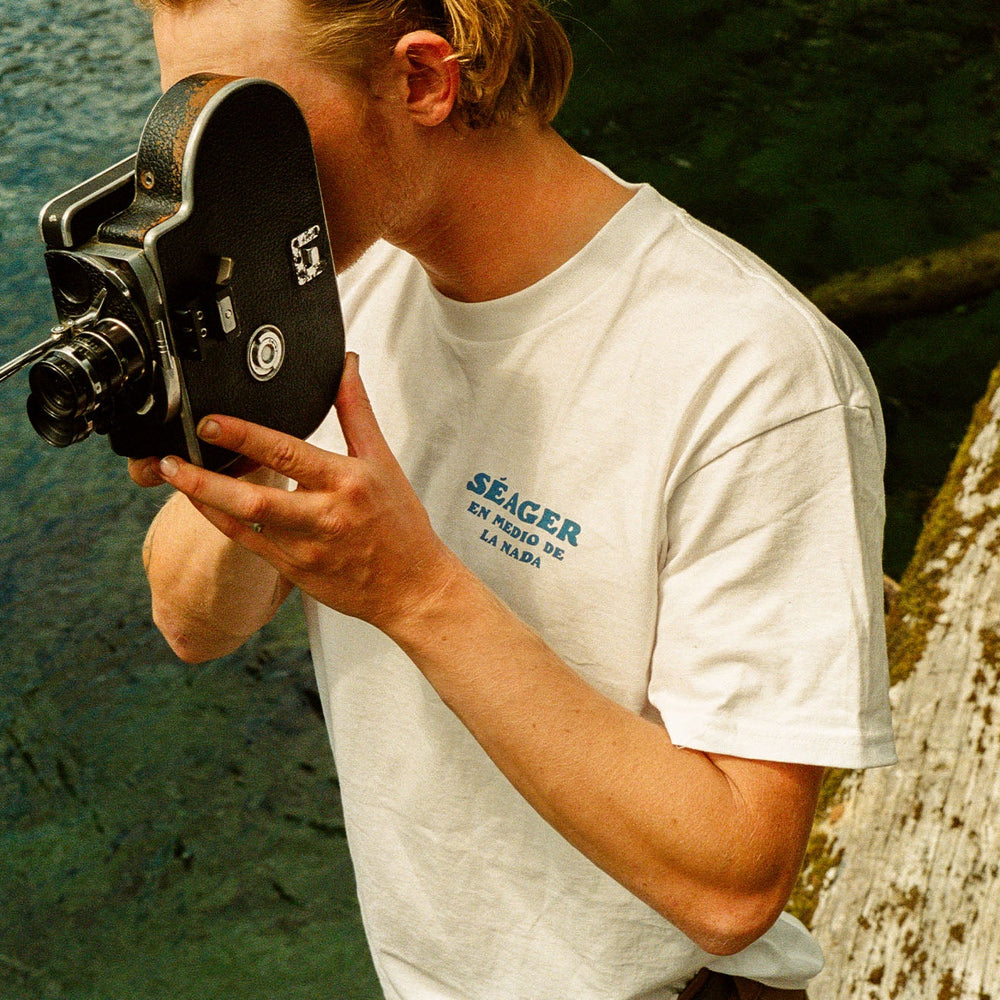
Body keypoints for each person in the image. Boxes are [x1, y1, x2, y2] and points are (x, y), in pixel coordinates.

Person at [130, 1, 897, 997]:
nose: (211, 181)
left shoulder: (753, 374)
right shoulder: (329, 281)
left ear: (420, 81)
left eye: (247, 125)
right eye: (190, 128)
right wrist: (233, 456)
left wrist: (411, 591)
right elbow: (192, 623)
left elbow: (734, 887)